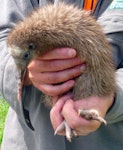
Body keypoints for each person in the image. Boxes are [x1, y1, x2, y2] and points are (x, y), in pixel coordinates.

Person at [0, 0, 123, 149]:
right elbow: (4, 34)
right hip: (32, 140)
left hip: (105, 139)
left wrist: (111, 97)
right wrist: (23, 73)